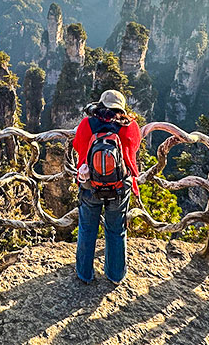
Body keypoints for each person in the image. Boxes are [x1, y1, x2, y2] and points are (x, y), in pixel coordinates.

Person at [72, 89, 142, 285]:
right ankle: (115, 274)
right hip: (119, 187)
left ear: (100, 104)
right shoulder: (130, 126)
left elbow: (78, 145)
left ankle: (85, 274)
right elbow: (134, 149)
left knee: (87, 229)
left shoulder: (88, 123)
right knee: (116, 230)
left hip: (90, 185)